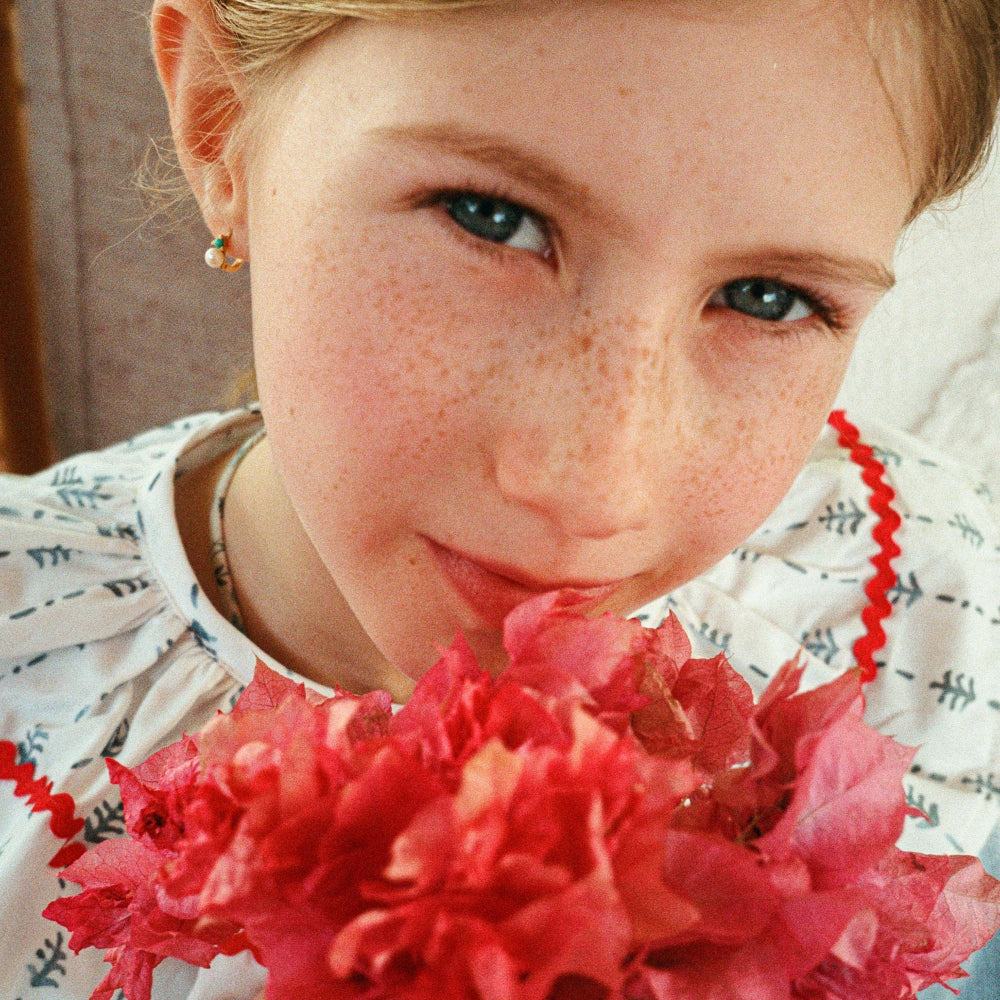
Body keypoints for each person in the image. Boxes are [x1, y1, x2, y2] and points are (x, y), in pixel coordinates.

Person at [2, 0, 999, 996]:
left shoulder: (923, 609)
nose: (592, 489)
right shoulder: (27, 688)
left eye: (766, 298)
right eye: (491, 217)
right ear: (220, 123)